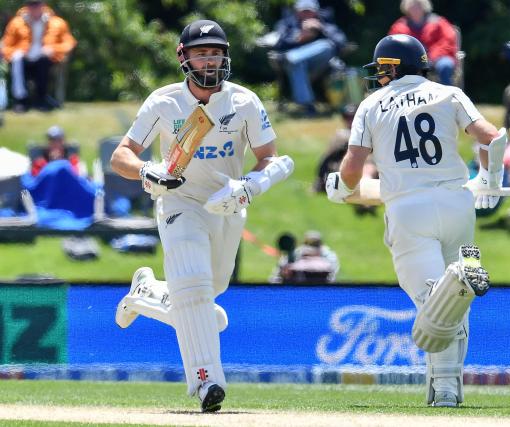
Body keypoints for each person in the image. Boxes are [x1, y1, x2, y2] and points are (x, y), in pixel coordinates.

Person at [110, 19, 294, 413]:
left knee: (205, 298)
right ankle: (206, 380)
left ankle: (146, 294)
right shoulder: (163, 102)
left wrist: (247, 186)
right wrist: (147, 170)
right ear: (183, 57)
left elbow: (270, 159)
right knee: (193, 287)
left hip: (227, 207)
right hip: (180, 202)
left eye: (216, 53)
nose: (210, 61)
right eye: (201, 53)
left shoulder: (245, 101)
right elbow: (121, 155)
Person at [326, 34, 505, 407]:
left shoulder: (372, 104)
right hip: (457, 204)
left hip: (409, 208)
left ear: (391, 67)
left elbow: (354, 166)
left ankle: (443, 390)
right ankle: (448, 385)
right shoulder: (448, 93)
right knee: (456, 296)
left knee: (435, 299)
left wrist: (339, 188)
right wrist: (489, 180)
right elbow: (492, 137)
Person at [272, 0, 347, 115]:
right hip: (295, 65)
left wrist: (322, 29)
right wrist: (299, 38)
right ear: (297, 12)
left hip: (321, 63)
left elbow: (341, 42)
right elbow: (279, 43)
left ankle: (292, 57)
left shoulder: (325, 23)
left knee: (326, 46)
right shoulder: (287, 24)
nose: (306, 15)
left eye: (309, 12)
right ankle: (307, 106)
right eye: (303, 12)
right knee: (297, 64)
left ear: (316, 12)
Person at [1, 0, 76, 113]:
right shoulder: (16, 23)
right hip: (23, 61)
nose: (34, 7)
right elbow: (5, 45)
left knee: (43, 60)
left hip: (47, 61)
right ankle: (21, 101)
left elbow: (69, 43)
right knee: (17, 59)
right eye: (31, 4)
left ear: (43, 5)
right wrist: (16, 52)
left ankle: (41, 99)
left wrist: (53, 50)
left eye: (37, 4)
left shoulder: (57, 23)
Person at [388, 0, 457, 86]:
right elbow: (393, 46)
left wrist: (432, 57)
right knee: (397, 69)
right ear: (407, 8)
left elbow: (448, 41)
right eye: (412, 6)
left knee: (445, 65)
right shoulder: (399, 27)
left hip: (438, 58)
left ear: (424, 6)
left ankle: (448, 96)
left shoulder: (438, 22)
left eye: (418, 5)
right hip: (411, 62)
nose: (415, 8)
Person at [270, 230, 339, 284]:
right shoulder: (295, 254)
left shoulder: (329, 256)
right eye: (309, 244)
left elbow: (331, 278)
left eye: (314, 244)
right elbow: (275, 279)